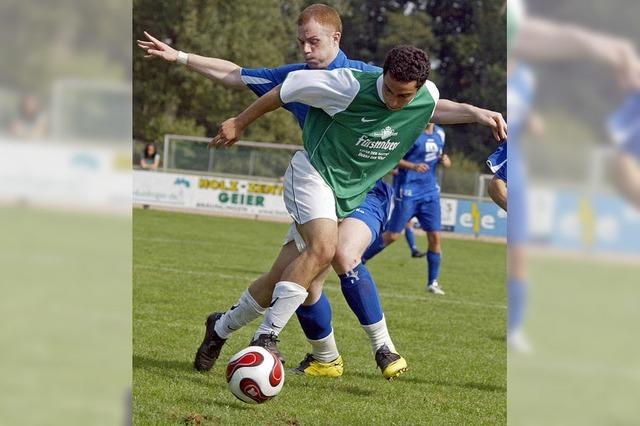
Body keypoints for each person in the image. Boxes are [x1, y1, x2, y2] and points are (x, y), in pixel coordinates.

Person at [139, 4, 409, 379]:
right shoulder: (296, 76)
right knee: (286, 280)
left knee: (329, 256)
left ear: (336, 38)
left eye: (313, 41)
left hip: (362, 191)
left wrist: (474, 113)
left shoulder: (369, 78)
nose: (306, 50)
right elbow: (236, 75)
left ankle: (346, 350)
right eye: (301, 42)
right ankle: (227, 330)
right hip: (319, 185)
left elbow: (420, 102)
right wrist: (181, 56)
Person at [209, 45, 507, 372]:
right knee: (325, 248)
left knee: (276, 279)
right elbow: (287, 89)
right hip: (314, 176)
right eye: (390, 90)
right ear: (383, 74)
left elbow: (437, 107)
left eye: (403, 96)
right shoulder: (348, 85)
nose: (393, 101)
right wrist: (240, 121)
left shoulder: (426, 96)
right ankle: (267, 336)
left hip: (351, 193)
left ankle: (220, 328)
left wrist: (477, 113)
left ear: (419, 87)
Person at [362, 123, 451, 294]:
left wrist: (445, 161)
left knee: (435, 237)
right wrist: (412, 166)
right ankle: (359, 260)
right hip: (408, 192)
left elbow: (441, 157)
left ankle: (432, 282)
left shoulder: (440, 133)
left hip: (430, 192)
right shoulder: (411, 131)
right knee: (393, 236)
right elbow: (393, 158)